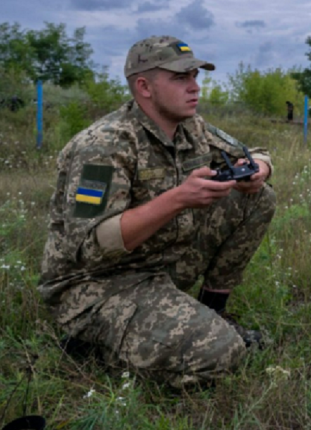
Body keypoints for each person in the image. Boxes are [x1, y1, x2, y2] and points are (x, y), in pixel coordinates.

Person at [37, 35, 276, 388]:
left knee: (259, 197)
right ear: (145, 87)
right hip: (99, 284)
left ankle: (214, 313)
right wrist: (178, 198)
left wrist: (258, 169)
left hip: (157, 264)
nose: (195, 87)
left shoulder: (191, 127)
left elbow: (253, 152)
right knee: (221, 354)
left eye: (195, 76)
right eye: (181, 78)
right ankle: (88, 341)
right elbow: (91, 246)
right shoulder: (103, 145)